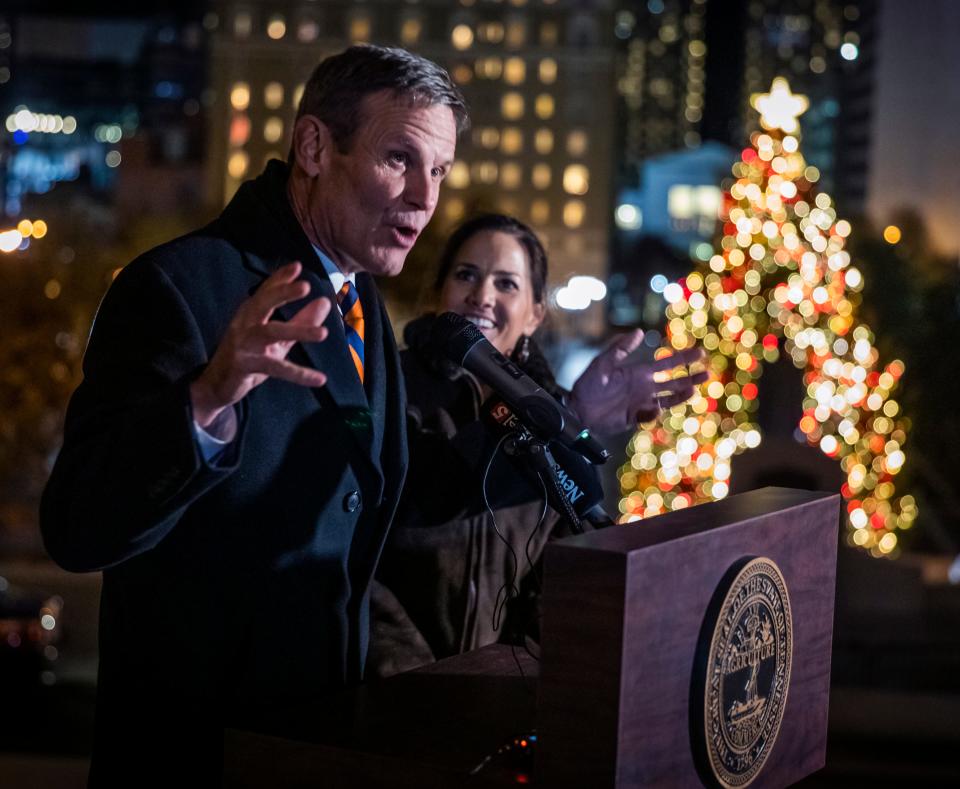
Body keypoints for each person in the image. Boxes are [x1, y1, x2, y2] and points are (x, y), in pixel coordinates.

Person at [39, 45, 467, 785]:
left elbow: (372, 508)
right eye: (401, 158)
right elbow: (77, 527)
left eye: (439, 171)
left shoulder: (362, 298)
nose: (425, 197)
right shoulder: (178, 287)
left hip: (316, 750)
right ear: (313, 146)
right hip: (196, 756)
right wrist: (205, 400)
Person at [367, 214, 706, 678]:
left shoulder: (551, 420)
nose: (482, 296)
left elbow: (562, 567)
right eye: (466, 275)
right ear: (438, 292)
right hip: (397, 692)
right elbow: (420, 500)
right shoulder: (391, 384)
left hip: (495, 698)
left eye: (506, 284)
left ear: (534, 314)